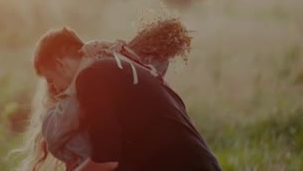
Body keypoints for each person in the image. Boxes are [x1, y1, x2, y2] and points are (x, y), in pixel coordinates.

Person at [15, 27, 222, 171]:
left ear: (61, 65)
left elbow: (106, 161)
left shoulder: (91, 77)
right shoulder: (116, 65)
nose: (57, 90)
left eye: (51, 80)